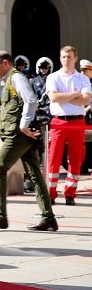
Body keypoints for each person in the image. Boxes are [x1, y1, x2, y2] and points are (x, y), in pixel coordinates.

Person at [0, 51, 58, 231]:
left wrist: (23, 125)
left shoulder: (16, 78)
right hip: (19, 133)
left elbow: (30, 101)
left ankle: (0, 217)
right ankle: (48, 218)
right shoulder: (9, 80)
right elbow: (14, 107)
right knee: (35, 175)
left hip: (18, 135)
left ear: (5, 63)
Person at [45, 45, 92, 206]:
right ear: (60, 58)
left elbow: (86, 100)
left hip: (77, 121)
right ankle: (51, 193)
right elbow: (53, 97)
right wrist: (74, 95)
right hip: (59, 120)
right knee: (54, 158)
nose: (66, 60)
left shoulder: (83, 79)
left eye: (69, 57)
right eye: (63, 57)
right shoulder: (53, 77)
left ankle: (70, 193)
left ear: (75, 58)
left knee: (76, 158)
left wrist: (63, 97)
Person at [79, 59, 92, 124]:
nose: (82, 73)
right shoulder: (81, 83)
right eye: (81, 70)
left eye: (85, 70)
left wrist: (88, 108)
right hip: (82, 114)